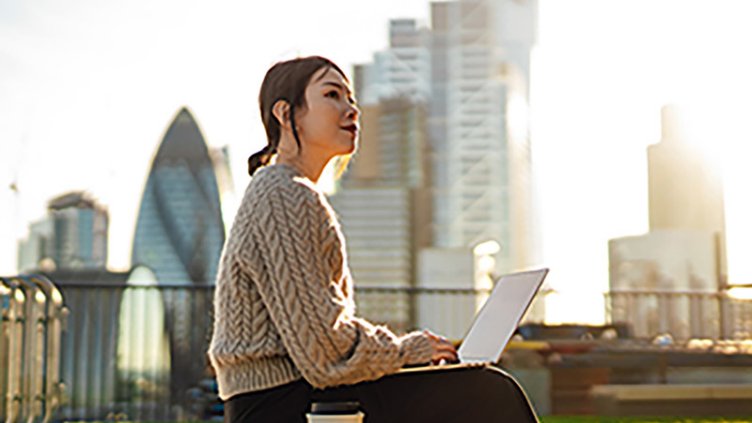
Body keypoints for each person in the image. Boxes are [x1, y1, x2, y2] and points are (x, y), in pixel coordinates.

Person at [207, 56, 539, 422]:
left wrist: (411, 355)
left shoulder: (285, 190)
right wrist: (410, 350)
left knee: (471, 386)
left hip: (292, 394)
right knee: (488, 392)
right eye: (332, 94)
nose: (351, 109)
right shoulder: (284, 193)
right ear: (285, 114)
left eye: (351, 98)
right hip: (282, 403)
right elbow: (325, 354)